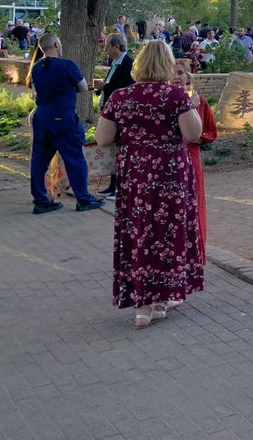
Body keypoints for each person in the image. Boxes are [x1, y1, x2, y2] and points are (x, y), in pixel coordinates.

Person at [95, 40, 204, 329]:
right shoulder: (175, 96)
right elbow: (193, 134)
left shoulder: (120, 96)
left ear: (139, 64)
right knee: (168, 233)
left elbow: (103, 138)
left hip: (135, 174)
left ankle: (142, 307)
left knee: (138, 231)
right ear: (166, 64)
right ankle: (161, 299)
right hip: (170, 173)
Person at [27, 33, 105, 215]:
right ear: (55, 44)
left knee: (39, 160)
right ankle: (83, 198)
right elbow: (83, 86)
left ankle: (40, 200)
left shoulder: (36, 68)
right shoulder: (67, 65)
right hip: (63, 117)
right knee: (74, 157)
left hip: (42, 116)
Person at [172, 59, 216, 258]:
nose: (176, 77)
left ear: (188, 76)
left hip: (191, 155)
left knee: (194, 202)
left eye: (180, 73)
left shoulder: (200, 101)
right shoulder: (164, 101)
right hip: (171, 158)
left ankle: (196, 252)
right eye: (172, 73)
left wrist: (199, 138)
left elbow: (211, 131)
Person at [93, 34, 135, 199]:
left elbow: (126, 88)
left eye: (107, 47)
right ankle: (112, 185)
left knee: (118, 148)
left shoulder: (128, 64)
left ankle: (118, 186)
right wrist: (101, 88)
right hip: (109, 110)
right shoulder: (115, 64)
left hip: (120, 112)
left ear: (116, 46)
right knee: (112, 149)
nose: (106, 51)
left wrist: (105, 86)